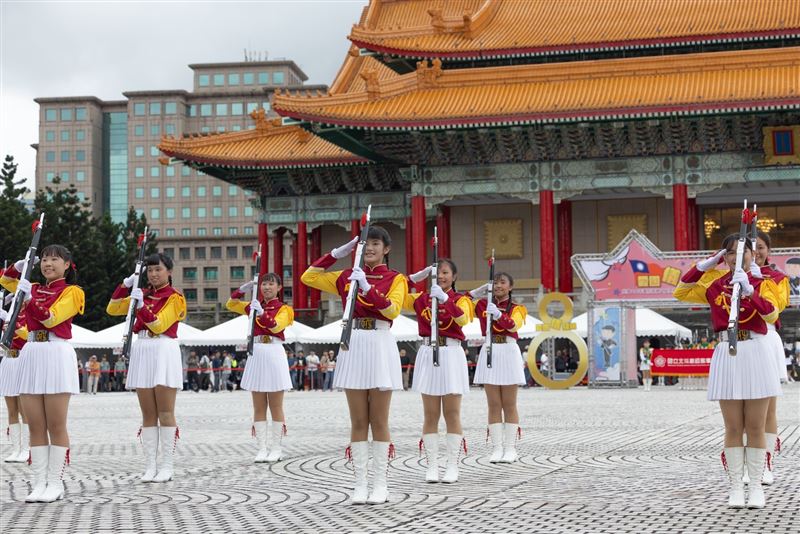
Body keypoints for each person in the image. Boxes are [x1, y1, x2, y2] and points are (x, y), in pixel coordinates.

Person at [301, 225, 407, 505]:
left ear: (386, 249)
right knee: (359, 420)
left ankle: (381, 484)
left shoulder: (396, 279)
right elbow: (308, 276)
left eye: (375, 243)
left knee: (379, 420)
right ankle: (360, 483)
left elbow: (392, 310)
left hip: (380, 341)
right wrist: (337, 253)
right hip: (354, 341)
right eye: (365, 244)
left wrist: (369, 288)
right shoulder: (347, 276)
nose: (369, 248)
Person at [674, 236, 781, 509]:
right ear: (724, 257)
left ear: (753, 255)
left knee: (756, 425)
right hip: (727, 352)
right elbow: (681, 292)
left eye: (743, 252)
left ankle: (756, 486)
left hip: (755, 351)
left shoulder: (762, 283)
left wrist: (750, 292)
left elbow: (771, 315)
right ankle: (735, 486)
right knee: (733, 426)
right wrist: (702, 266)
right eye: (730, 253)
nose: (736, 257)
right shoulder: (714, 285)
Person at [2, 245, 84, 502]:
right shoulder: (34, 287)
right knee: (35, 423)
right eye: (45, 259)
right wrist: (18, 266)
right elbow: (5, 280)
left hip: (55, 351)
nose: (48, 264)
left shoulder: (73, 292)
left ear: (67, 264)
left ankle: (55, 482)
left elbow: (51, 319)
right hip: (31, 352)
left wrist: (28, 300)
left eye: (54, 260)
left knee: (55, 423)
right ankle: (39, 482)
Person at [107, 252, 186, 484]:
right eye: (149, 270)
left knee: (165, 411)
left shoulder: (175, 297)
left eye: (158, 269)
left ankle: (167, 465)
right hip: (142, 347)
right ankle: (150, 465)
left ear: (169, 272)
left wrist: (141, 306)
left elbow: (160, 324)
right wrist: (126, 285)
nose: (153, 274)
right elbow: (112, 308)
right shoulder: (141, 294)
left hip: (162, 348)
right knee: (148, 413)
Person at [406, 259, 472, 483]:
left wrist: (445, 299)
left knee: (452, 413)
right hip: (428, 351)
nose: (441, 277)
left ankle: (452, 465)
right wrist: (415, 278)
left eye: (445, 273)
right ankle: (432, 465)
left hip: (451, 353)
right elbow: (395, 294)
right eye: (436, 273)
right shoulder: (422, 299)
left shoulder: (461, 299)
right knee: (430, 414)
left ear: (454, 276)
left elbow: (463, 319)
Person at [226, 273, 294, 463]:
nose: (266, 287)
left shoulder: (284, 309)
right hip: (256, 352)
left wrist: (262, 314)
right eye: (264, 284)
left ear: (279, 287)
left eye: (271, 284)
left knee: (275, 404)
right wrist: (242, 290)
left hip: (273, 351)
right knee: (258, 405)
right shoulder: (254, 306)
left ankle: (277, 448)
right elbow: (230, 304)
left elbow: (275, 327)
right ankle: (262, 448)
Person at [471, 272, 526, 463]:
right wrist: (474, 293)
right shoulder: (481, 305)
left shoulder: (517, 308)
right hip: (490, 349)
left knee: (509, 403)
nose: (498, 286)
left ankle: (510, 448)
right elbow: (457, 307)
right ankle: (496, 448)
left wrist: (499, 315)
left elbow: (513, 326)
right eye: (495, 282)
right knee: (493, 404)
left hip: (508, 350)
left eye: (503, 282)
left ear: (510, 287)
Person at [750, 230, 790, 486]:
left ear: (769, 250)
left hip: (767, 339)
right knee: (742, 408)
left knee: (768, 408)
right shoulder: (730, 278)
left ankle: (766, 461)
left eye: (761, 247)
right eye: (750, 248)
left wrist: (756, 281)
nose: (756, 253)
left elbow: (778, 307)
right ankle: (747, 461)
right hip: (740, 341)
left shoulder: (777, 278)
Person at [0, 268, 30, 464]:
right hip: (8, 361)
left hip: (21, 360)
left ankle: (28, 448)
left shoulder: (28, 313)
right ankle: (16, 448)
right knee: (11, 409)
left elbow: (29, 336)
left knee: (24, 409)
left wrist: (16, 329)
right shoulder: (11, 314)